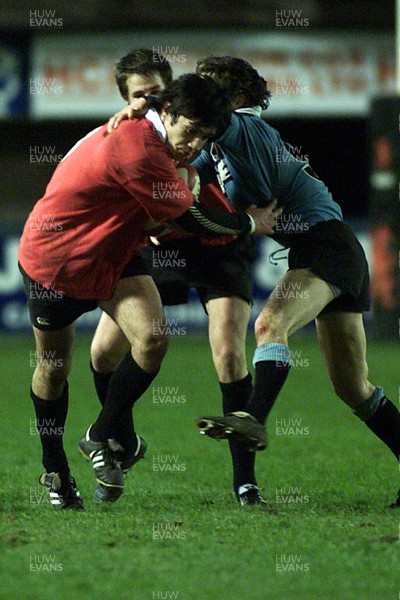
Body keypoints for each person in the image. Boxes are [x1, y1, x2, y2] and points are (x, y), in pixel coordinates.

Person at [18, 73, 281, 510]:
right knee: (53, 369)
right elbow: (194, 219)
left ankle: (101, 435)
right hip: (56, 259)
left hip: (115, 253)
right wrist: (251, 224)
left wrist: (148, 102)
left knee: (153, 338)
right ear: (168, 114)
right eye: (190, 131)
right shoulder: (139, 150)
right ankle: (56, 472)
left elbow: (167, 116)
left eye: (204, 137)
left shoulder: (155, 122)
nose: (194, 145)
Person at [189, 56, 400, 508]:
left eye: (211, 91)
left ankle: (253, 417)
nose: (200, 99)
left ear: (238, 100)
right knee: (354, 390)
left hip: (328, 247)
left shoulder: (244, 129)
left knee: (268, 325)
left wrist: (233, 216)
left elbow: (250, 198)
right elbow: (191, 172)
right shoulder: (222, 142)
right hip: (327, 251)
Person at [91, 49, 274, 507]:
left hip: (221, 246)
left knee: (229, 354)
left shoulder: (230, 127)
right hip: (165, 246)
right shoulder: (145, 129)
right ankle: (117, 442)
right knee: (103, 351)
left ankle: (245, 484)